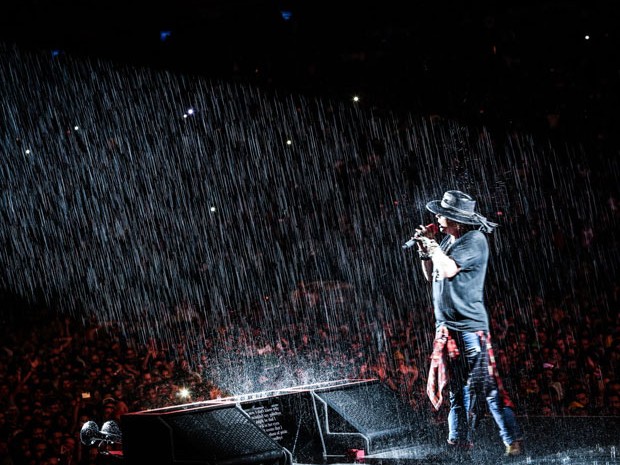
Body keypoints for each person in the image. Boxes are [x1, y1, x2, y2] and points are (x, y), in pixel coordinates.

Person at [413, 190, 522, 457]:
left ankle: (512, 441)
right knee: (457, 391)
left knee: (486, 387)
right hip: (449, 327)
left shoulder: (474, 240)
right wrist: (425, 253)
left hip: (468, 328)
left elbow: (450, 270)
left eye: (441, 214)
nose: (436, 218)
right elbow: (433, 277)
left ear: (456, 220)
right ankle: (457, 443)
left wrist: (433, 247)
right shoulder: (450, 241)